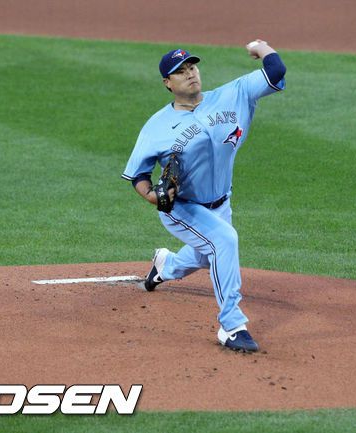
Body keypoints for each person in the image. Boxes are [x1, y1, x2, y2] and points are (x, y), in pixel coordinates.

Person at [121, 40, 286, 352]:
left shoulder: (232, 94)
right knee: (224, 241)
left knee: (204, 253)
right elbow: (139, 176)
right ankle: (232, 326)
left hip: (221, 202)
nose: (190, 74)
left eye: (192, 67)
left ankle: (165, 265)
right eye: (180, 72)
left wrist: (262, 47)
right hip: (181, 208)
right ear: (167, 83)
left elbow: (275, 71)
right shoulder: (155, 127)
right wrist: (152, 197)